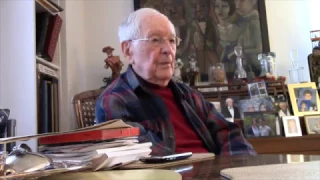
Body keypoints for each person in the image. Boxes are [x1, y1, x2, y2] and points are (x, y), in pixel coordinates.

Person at [95, 8, 255, 156]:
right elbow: (142, 160)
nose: (168, 50)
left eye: (172, 40)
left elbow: (229, 134)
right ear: (128, 50)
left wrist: (240, 169)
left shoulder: (189, 95)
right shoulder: (115, 100)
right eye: (156, 40)